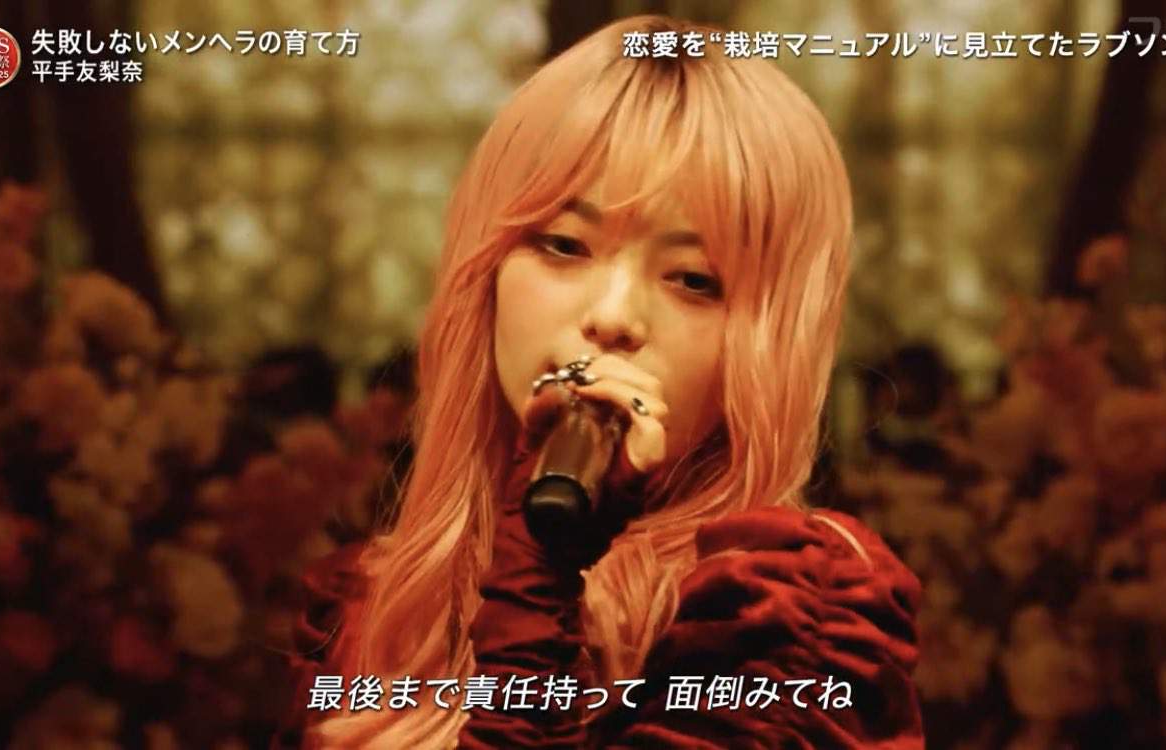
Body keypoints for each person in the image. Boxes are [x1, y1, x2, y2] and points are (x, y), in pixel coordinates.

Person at [275, 14, 924, 749]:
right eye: (563, 244)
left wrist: (539, 570)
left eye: (693, 279)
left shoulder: (782, 616)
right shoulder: (368, 607)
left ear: (770, 341)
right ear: (484, 272)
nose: (613, 317)